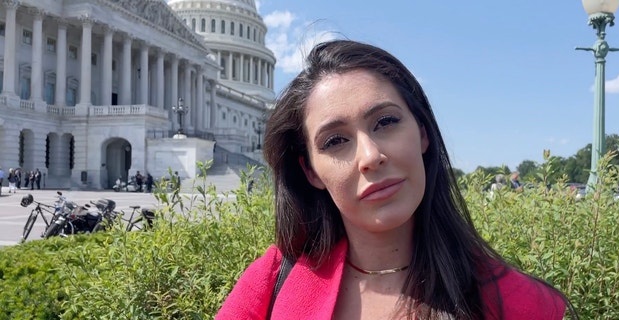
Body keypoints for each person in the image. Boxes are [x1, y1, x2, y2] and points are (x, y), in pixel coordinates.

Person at [216, 40, 572, 319]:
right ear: (310, 171)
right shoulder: (271, 283)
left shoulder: (521, 305)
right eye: (336, 141)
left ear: (422, 133)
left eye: (385, 122)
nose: (370, 156)